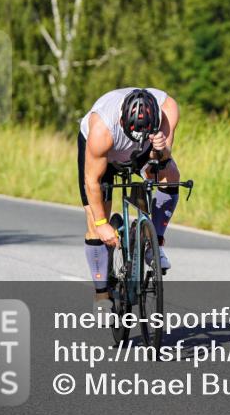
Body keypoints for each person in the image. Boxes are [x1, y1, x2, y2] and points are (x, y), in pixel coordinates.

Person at [77, 87, 181, 312]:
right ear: (123, 120)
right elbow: (92, 180)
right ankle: (101, 295)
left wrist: (161, 150)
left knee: (170, 175)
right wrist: (102, 224)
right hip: (106, 154)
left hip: (142, 153)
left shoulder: (167, 109)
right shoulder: (101, 128)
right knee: (96, 220)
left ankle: (154, 243)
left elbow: (161, 159)